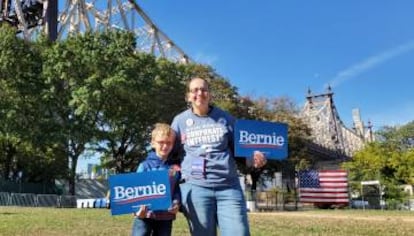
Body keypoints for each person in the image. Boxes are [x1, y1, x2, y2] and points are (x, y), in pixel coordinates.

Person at [171, 77, 267, 236]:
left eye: (204, 89)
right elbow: (169, 153)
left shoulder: (226, 118)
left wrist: (254, 159)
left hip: (228, 188)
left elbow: (239, 151)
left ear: (210, 94)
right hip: (196, 189)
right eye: (195, 90)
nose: (200, 93)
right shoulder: (179, 121)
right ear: (188, 96)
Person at [131, 123, 181, 236]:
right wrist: (137, 210)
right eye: (161, 142)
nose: (165, 146)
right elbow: (134, 190)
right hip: (145, 215)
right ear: (153, 143)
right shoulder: (144, 166)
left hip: (166, 216)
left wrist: (176, 203)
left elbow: (176, 189)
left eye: (169, 143)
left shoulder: (175, 168)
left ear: (173, 145)